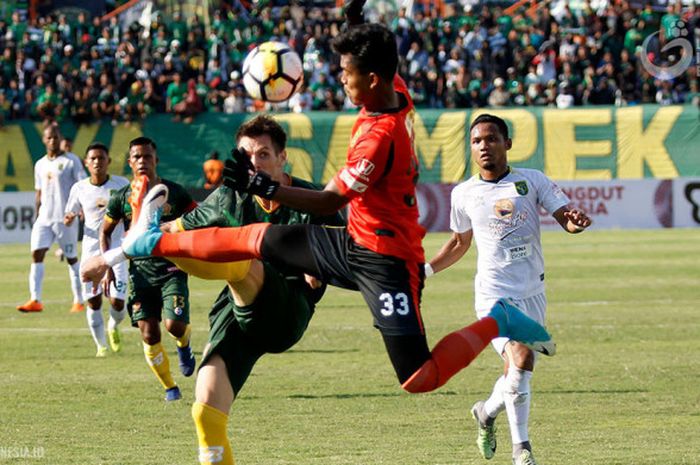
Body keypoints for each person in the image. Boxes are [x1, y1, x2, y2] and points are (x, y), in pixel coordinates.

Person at [86, 20, 553, 407]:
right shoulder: (394, 91)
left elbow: (331, 201)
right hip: (350, 243)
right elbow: (376, 58)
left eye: (347, 73)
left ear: (371, 80)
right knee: (256, 236)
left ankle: (503, 321)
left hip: (390, 263)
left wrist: (260, 184)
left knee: (418, 377)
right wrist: (353, 23)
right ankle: (148, 242)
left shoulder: (379, 136)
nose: (340, 80)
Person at [155, 115, 342, 465]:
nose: (254, 164)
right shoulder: (228, 196)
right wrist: (137, 239)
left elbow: (340, 256)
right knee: (205, 410)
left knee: (247, 258)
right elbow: (176, 226)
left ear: (283, 157)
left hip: (287, 311)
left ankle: (170, 252)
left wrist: (320, 268)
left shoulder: (314, 200)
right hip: (235, 309)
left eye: (263, 155)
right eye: (246, 156)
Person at [425, 114, 592, 465]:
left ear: (507, 143)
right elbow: (458, 243)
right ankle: (523, 451)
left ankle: (486, 413)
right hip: (493, 295)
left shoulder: (531, 182)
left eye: (491, 138)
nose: (483, 146)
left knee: (516, 373)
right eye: (477, 141)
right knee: (522, 357)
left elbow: (565, 217)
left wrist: (574, 224)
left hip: (533, 293)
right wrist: (425, 270)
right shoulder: (464, 193)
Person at [101, 137, 198, 401]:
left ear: (156, 160)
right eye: (137, 157)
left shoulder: (174, 192)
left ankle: (184, 344)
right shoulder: (121, 197)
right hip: (140, 275)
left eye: (147, 156)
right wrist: (108, 265)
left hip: (172, 269)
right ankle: (170, 387)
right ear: (130, 162)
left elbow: (197, 217)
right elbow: (106, 232)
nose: (143, 161)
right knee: (149, 332)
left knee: (174, 325)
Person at [64, 142, 130, 357]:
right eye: (92, 158)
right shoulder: (79, 188)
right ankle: (100, 345)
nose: (97, 162)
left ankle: (113, 324)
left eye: (101, 158)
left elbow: (131, 213)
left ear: (108, 161)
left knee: (118, 302)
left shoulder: (121, 184)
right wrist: (69, 217)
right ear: (86, 163)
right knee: (93, 300)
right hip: (91, 251)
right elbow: (70, 211)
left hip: (117, 250)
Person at [17, 123, 86, 313]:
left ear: (60, 138)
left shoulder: (72, 161)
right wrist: (36, 212)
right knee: (36, 255)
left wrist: (78, 210)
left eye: (56, 137)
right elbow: (39, 192)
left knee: (72, 258)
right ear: (44, 140)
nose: (53, 140)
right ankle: (35, 300)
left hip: (65, 218)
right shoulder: (40, 164)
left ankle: (79, 300)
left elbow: (82, 186)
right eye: (49, 137)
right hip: (44, 218)